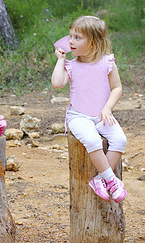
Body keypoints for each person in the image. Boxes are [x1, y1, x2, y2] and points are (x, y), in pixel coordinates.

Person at [51, 15, 127, 203]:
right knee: (93, 140)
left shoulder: (107, 62)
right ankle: (111, 180)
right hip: (79, 116)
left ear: (93, 43)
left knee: (120, 140)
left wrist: (108, 108)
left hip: (102, 114)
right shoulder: (72, 65)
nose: (70, 41)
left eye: (77, 38)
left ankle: (100, 180)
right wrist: (60, 60)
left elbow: (117, 88)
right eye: (70, 37)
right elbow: (57, 84)